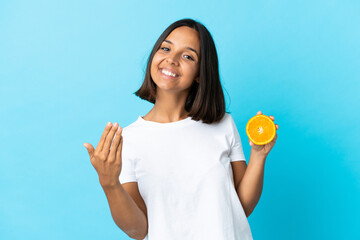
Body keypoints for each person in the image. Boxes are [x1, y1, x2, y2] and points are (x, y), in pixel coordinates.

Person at [83, 18, 279, 240]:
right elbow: (138, 230)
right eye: (166, 48)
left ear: (199, 74)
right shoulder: (129, 139)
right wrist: (109, 184)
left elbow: (241, 207)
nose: (171, 59)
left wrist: (258, 156)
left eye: (188, 56)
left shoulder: (223, 124)